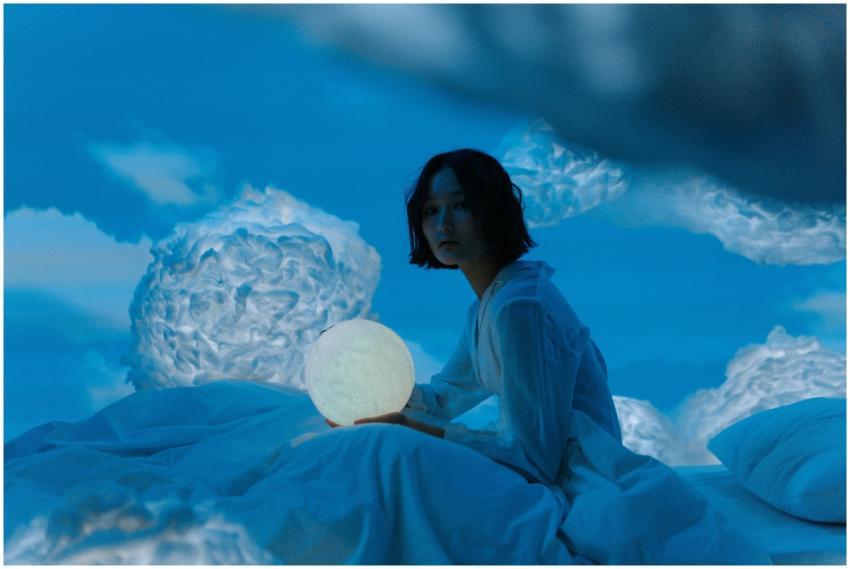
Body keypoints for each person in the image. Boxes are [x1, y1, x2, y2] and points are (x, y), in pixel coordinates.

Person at [329, 148, 621, 486]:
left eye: (461, 205)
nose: (443, 225)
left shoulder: (521, 306)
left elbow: (533, 459)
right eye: (431, 210)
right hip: (555, 477)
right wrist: (360, 377)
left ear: (493, 210)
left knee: (389, 469)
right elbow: (443, 397)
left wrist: (409, 428)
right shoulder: (490, 303)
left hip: (582, 488)